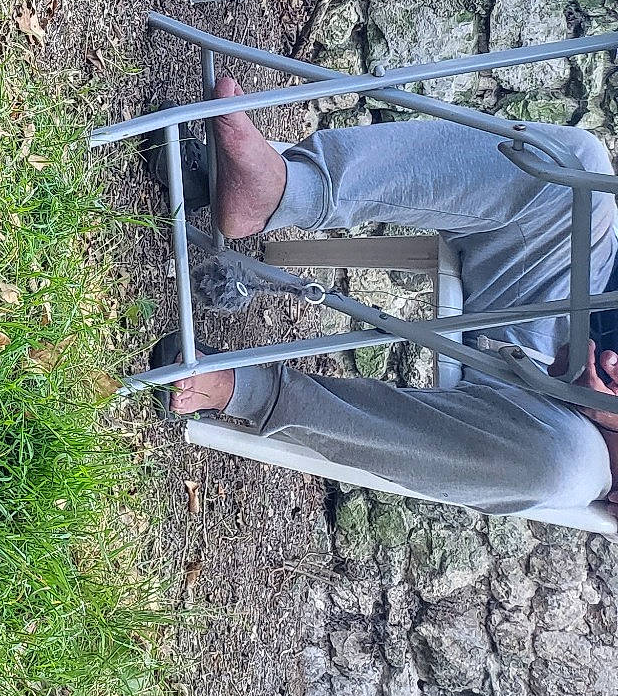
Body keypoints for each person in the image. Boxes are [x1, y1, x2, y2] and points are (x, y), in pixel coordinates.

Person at [169, 78, 618, 514]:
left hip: (573, 429)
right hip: (573, 287)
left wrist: (610, 416)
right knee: (579, 169)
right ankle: (285, 191)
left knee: (563, 470)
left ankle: (245, 391)